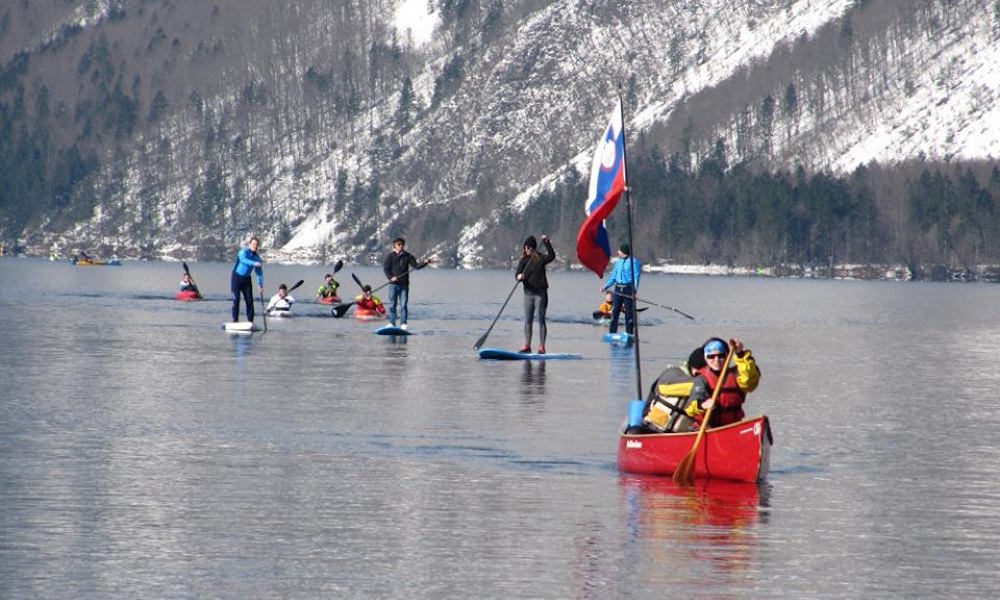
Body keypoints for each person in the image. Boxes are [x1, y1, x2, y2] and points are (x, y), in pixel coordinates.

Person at [684, 337, 761, 428]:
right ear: (706, 358)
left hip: (733, 426)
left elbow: (749, 381)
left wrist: (740, 354)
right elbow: (689, 408)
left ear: (727, 356)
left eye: (721, 356)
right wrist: (702, 405)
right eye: (711, 356)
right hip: (708, 428)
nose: (716, 360)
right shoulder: (701, 379)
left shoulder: (736, 374)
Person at [515, 234, 555, 354]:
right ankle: (527, 345)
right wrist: (519, 276)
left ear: (533, 248)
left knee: (541, 319)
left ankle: (542, 346)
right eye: (525, 248)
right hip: (528, 294)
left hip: (540, 294)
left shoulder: (540, 259)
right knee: (528, 320)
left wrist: (547, 242)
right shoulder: (523, 261)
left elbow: (552, 256)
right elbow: (517, 274)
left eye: (528, 248)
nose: (526, 250)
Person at [382, 237, 433, 329]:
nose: (401, 246)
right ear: (395, 245)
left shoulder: (408, 256)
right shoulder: (390, 256)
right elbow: (386, 269)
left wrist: (425, 262)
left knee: (403, 305)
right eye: (399, 244)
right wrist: (391, 277)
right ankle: (392, 323)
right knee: (392, 305)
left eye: (402, 245)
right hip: (393, 285)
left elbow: (416, 266)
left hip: (404, 285)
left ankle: (403, 324)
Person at [601, 243, 642, 335]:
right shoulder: (618, 263)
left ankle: (629, 333)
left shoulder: (634, 262)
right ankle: (612, 332)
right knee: (615, 311)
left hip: (628, 288)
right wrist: (605, 286)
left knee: (629, 312)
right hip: (618, 289)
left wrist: (634, 291)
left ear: (623, 251)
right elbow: (613, 277)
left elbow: (636, 278)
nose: (617, 252)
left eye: (619, 250)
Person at [231, 236, 263, 322]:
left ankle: (250, 322)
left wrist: (260, 285)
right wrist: (254, 263)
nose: (255, 246)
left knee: (249, 302)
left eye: (256, 245)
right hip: (236, 278)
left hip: (247, 280)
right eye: (253, 244)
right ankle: (235, 321)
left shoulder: (257, 258)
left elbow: (259, 273)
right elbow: (243, 260)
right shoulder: (243, 252)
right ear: (249, 244)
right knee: (236, 300)